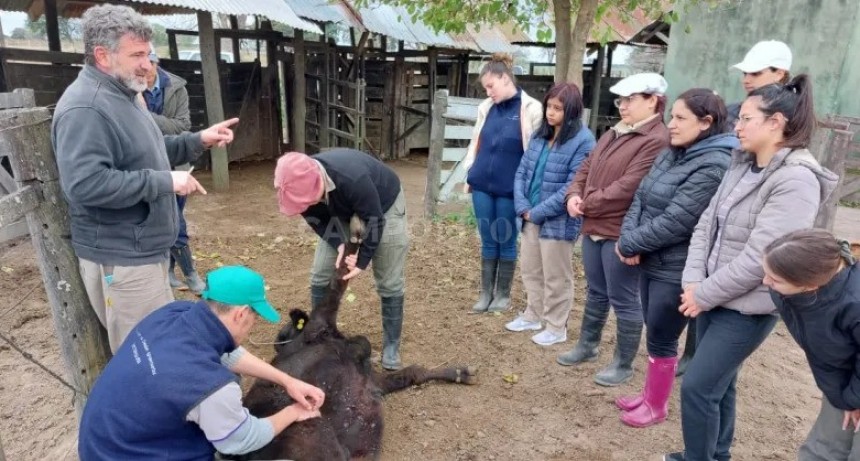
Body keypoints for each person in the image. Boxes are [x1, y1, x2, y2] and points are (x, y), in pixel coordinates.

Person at [663, 75, 838, 461]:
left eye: (745, 119)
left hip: (748, 308)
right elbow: (706, 224)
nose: (736, 126)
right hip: (710, 294)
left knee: (697, 387)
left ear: (775, 123)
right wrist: (693, 281)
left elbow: (764, 257)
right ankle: (716, 454)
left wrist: (703, 293)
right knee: (720, 385)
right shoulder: (742, 164)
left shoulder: (796, 181)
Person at [53, 4, 239, 353]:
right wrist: (164, 182)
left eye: (148, 54)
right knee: (147, 357)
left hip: (144, 251)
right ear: (102, 56)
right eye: (137, 55)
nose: (147, 64)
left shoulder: (124, 95)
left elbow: (147, 151)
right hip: (124, 260)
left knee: (160, 349)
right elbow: (85, 184)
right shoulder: (87, 108)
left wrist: (197, 140)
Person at [78, 265, 325, 460]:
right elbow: (240, 439)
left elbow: (228, 354)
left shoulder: (173, 314)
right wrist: (294, 412)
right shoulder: (210, 385)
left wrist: (287, 381)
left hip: (102, 443)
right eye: (254, 318)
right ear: (241, 314)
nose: (253, 325)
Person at [613, 89, 736, 428]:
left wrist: (631, 243)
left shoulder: (714, 164)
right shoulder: (672, 152)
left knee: (663, 333)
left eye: (681, 118)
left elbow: (678, 221)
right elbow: (640, 196)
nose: (672, 124)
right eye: (673, 116)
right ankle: (648, 394)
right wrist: (628, 239)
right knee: (654, 328)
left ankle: (657, 405)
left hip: (675, 266)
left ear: (706, 122)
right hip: (651, 258)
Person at [674, 40, 793, 377]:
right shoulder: (737, 117)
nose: (746, 78)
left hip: (747, 275)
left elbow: (761, 250)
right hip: (718, 226)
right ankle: (695, 354)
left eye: (755, 72)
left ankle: (702, 361)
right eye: (745, 72)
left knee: (711, 376)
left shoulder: (788, 143)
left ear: (780, 73)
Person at [556, 73, 670, 387]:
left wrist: (586, 203)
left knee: (623, 297)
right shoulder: (614, 132)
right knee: (596, 290)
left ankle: (623, 363)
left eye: (631, 99)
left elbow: (629, 187)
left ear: (652, 100)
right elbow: (585, 167)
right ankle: (588, 345)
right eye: (621, 99)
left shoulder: (656, 140)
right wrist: (573, 194)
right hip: (594, 223)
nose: (623, 105)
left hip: (621, 229)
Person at [274, 148, 408, 370]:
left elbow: (375, 219)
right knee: (320, 274)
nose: (305, 205)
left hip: (384, 207)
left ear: (318, 182)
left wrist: (362, 261)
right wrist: (339, 244)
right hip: (340, 211)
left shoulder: (352, 177)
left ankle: (391, 346)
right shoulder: (296, 186)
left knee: (389, 280)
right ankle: (321, 335)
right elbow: (317, 220)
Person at [505, 83, 595, 346]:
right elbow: (522, 171)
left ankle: (556, 326)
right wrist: (523, 206)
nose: (551, 112)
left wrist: (538, 212)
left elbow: (573, 185)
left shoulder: (584, 141)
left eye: (558, 108)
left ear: (572, 111)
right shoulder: (540, 135)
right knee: (530, 269)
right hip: (530, 215)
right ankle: (533, 314)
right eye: (549, 106)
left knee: (556, 276)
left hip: (558, 220)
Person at [762, 229, 860, 461]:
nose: (765, 281)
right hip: (844, 376)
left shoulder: (854, 304)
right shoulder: (788, 292)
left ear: (810, 286)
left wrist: (854, 399)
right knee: (823, 448)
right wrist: (848, 399)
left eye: (775, 279)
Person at [463, 53, 543, 314]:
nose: (488, 92)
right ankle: (486, 292)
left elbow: (535, 152)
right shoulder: (486, 108)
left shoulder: (531, 109)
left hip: (510, 188)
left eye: (491, 86)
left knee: (506, 238)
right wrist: (470, 169)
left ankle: (503, 294)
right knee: (488, 238)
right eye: (485, 88)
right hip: (482, 185)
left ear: (505, 78)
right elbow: (476, 140)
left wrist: (527, 188)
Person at [142, 44, 205, 294]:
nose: (145, 69)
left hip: (176, 163)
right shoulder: (128, 86)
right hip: (147, 165)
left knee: (174, 216)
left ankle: (172, 270)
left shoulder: (176, 87)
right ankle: (189, 274)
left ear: (156, 62)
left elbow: (182, 127)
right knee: (172, 219)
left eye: (150, 63)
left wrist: (145, 117)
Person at [724, 40, 792, 130]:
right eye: (745, 74)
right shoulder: (729, 113)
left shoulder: (798, 116)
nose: (745, 80)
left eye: (755, 73)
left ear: (779, 74)